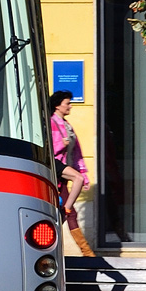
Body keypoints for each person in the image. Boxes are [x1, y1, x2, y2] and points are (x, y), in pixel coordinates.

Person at [50, 90, 94, 256]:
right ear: (57, 105)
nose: (70, 106)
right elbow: (50, 149)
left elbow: (77, 153)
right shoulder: (52, 122)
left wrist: (83, 173)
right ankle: (87, 252)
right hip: (57, 172)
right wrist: (62, 144)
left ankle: (86, 252)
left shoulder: (67, 125)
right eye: (67, 103)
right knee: (69, 212)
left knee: (67, 212)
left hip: (64, 174)